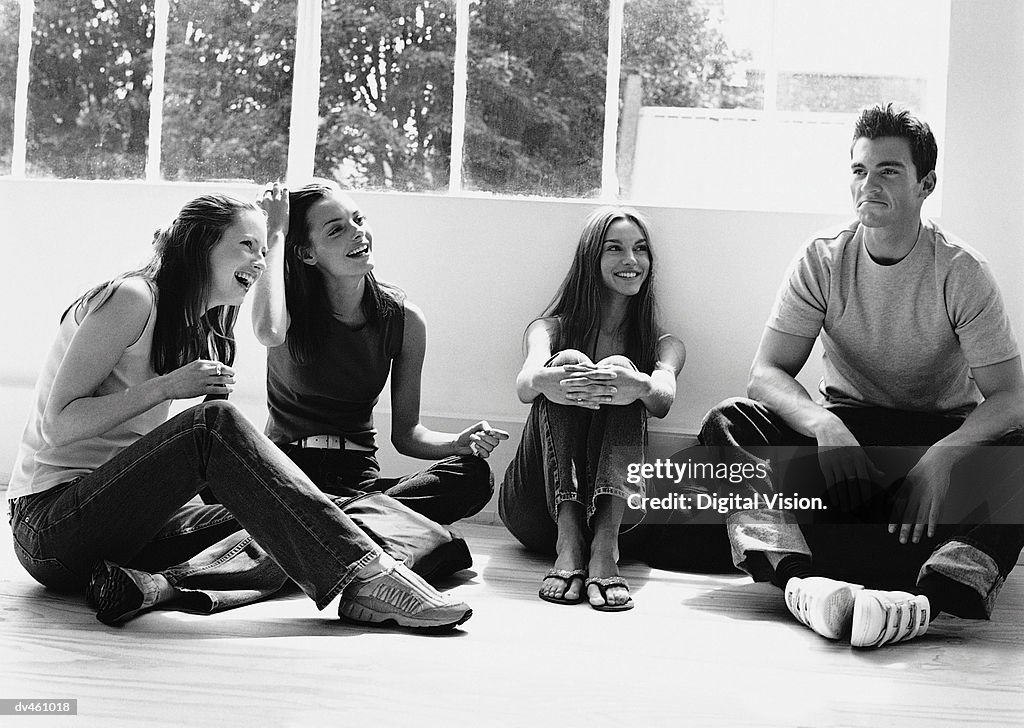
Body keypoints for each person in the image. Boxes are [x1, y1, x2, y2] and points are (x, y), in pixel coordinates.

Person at [6, 191, 472, 632]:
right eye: (247, 245)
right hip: (50, 527)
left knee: (296, 516)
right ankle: (373, 576)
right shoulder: (134, 297)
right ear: (200, 249)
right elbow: (57, 426)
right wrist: (170, 386)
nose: (260, 261)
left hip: (128, 533)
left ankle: (161, 587)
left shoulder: (200, 322)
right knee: (218, 429)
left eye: (263, 250)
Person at [697, 103, 1024, 647]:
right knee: (728, 422)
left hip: (932, 450)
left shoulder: (962, 271)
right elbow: (766, 373)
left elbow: (1011, 398)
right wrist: (824, 427)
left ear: (927, 183)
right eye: (859, 170)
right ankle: (798, 581)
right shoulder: (822, 259)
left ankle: (932, 597)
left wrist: (944, 457)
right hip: (844, 446)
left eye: (888, 170)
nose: (868, 184)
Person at [250, 181, 508, 527]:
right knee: (228, 489)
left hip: (359, 479)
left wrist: (456, 442)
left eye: (359, 219)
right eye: (337, 230)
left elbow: (407, 435)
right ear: (307, 253)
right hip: (290, 471)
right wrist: (275, 232)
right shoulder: (285, 308)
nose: (358, 233)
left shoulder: (404, 320)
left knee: (473, 477)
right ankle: (354, 527)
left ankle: (324, 527)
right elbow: (267, 332)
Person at [498, 206, 687, 611]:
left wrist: (636, 385)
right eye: (614, 249)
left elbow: (663, 400)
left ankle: (604, 545)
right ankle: (569, 536)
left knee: (623, 370)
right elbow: (524, 385)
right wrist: (553, 381)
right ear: (592, 259)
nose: (631, 261)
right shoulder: (549, 328)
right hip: (536, 513)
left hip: (621, 518)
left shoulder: (663, 344)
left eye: (640, 249)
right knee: (568, 361)